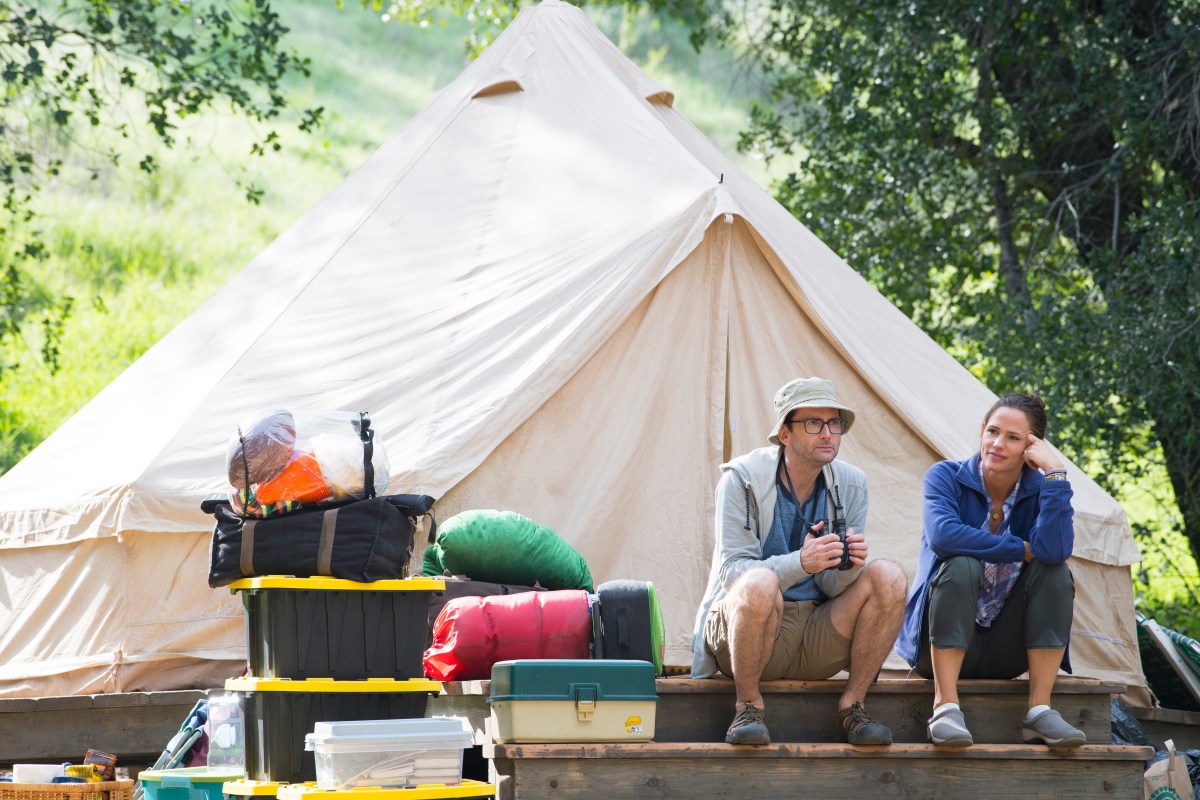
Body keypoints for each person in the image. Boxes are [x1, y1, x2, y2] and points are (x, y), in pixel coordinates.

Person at [690, 377, 908, 746]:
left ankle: (853, 706)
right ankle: (747, 706)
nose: (827, 433)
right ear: (785, 434)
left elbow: (830, 587)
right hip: (751, 633)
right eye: (813, 423)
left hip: (817, 632)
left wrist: (845, 569)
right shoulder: (741, 479)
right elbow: (732, 576)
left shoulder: (851, 483)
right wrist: (802, 562)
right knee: (759, 582)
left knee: (889, 576)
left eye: (834, 423)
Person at [897, 393, 1085, 748]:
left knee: (1056, 573)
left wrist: (1056, 475)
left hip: (1005, 650)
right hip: (937, 645)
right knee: (961, 564)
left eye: (1013, 438)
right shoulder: (946, 477)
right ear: (982, 430)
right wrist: (1019, 549)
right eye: (993, 431)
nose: (998, 444)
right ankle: (945, 707)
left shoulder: (1041, 489)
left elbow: (1055, 551)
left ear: (1032, 448)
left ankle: (1040, 710)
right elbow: (943, 537)